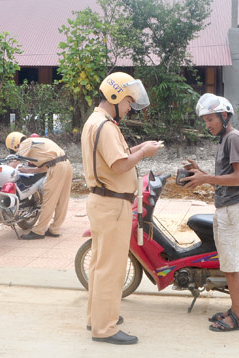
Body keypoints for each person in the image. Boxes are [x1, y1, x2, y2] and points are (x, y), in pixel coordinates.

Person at [81, 72, 160, 345]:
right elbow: (119, 165)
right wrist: (144, 153)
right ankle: (105, 328)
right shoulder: (105, 126)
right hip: (112, 203)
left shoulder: (98, 122)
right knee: (111, 268)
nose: (129, 107)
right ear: (114, 97)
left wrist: (140, 147)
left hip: (104, 202)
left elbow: (119, 155)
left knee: (100, 264)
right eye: (128, 101)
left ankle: (97, 317)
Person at [181, 93, 239, 332]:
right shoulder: (224, 140)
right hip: (224, 208)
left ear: (224, 116)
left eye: (210, 119)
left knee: (232, 267)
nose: (207, 124)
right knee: (228, 265)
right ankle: (234, 309)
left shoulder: (234, 139)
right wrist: (199, 172)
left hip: (232, 211)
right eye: (204, 120)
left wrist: (206, 177)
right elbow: (224, 180)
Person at [5, 132, 73, 240]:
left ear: (15, 144)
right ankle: (55, 229)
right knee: (62, 199)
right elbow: (47, 166)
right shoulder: (39, 142)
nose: (14, 151)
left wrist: (1, 170)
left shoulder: (25, 143)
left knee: (49, 200)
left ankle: (39, 231)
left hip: (57, 167)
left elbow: (14, 163)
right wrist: (28, 170)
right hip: (66, 164)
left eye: (13, 150)